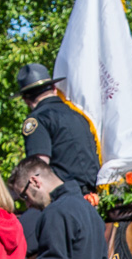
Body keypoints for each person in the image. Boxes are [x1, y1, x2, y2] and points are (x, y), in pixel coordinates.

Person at [9, 157, 104, 259]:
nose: (28, 205)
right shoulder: (89, 210)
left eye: (25, 196)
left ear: (35, 182)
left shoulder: (56, 212)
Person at [16, 63, 101, 193]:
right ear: (54, 88)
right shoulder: (79, 115)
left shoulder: (37, 119)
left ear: (26, 100)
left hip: (65, 196)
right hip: (95, 195)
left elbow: (39, 167)